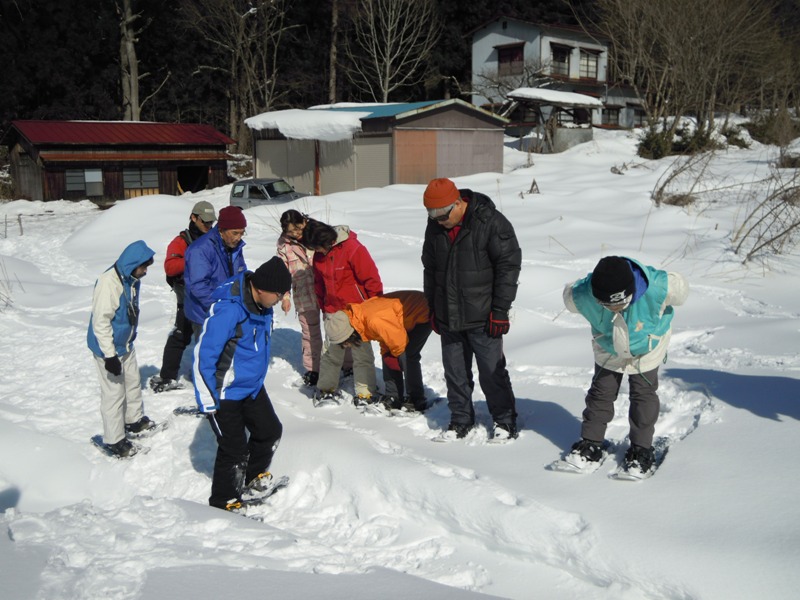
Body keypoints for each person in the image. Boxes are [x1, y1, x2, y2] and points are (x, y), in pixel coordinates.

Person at [562, 255, 689, 474]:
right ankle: (591, 443)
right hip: (608, 346)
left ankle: (641, 449)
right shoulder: (582, 294)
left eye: (621, 303)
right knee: (600, 393)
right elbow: (568, 297)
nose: (615, 308)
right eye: (607, 304)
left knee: (643, 394)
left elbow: (681, 290)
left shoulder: (658, 286)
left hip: (647, 348)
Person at [421, 178, 522, 441]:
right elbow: (430, 270)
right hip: (448, 315)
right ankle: (461, 419)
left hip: (483, 316)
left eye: (442, 215)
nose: (438, 220)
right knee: (455, 373)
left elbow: (508, 267)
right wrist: (432, 308)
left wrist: (500, 310)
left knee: (492, 372)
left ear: (457, 203)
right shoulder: (435, 227)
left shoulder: (491, 222)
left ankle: (504, 421)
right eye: (432, 215)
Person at [193, 256, 292, 511]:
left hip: (251, 387)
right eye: (279, 294)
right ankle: (223, 502)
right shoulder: (229, 309)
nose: (281, 299)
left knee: (270, 431)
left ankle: (250, 480)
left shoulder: (263, 304)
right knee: (234, 451)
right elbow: (204, 354)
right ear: (261, 288)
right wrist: (207, 400)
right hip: (224, 394)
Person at [87, 240, 157, 457]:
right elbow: (101, 323)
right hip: (108, 348)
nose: (145, 271)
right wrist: (110, 356)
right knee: (114, 394)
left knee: (133, 382)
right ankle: (113, 439)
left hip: (125, 343)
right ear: (132, 264)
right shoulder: (109, 283)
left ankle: (133, 420)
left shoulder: (131, 278)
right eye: (143, 267)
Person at [302, 219, 383, 405]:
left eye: (317, 247)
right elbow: (318, 283)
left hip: (358, 310)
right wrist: (324, 307)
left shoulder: (353, 248)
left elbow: (372, 279)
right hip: (334, 312)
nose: (317, 252)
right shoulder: (319, 256)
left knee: (362, 354)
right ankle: (325, 390)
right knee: (331, 353)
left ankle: (366, 392)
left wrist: (375, 307)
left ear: (327, 241)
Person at [324, 290, 432, 413]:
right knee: (388, 355)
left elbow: (399, 343)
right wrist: (388, 356)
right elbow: (385, 338)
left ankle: (416, 399)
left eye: (345, 342)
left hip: (422, 311)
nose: (347, 346)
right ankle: (393, 396)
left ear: (349, 335)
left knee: (407, 355)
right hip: (400, 322)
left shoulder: (373, 320)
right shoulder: (359, 319)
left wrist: (393, 357)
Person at [150, 201, 217, 393]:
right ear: (193, 218)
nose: (208, 226)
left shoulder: (213, 239)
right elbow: (170, 267)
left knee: (207, 337)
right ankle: (167, 376)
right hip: (187, 298)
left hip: (207, 297)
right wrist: (193, 259)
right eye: (205, 221)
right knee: (181, 335)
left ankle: (204, 373)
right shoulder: (181, 242)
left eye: (211, 222)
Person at [276, 210, 322, 388]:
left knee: (336, 328)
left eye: (298, 228)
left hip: (324, 288)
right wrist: (285, 296)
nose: (296, 234)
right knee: (310, 333)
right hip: (303, 292)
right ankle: (313, 369)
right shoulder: (283, 246)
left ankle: (346, 366)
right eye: (291, 232)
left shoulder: (316, 233)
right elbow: (283, 272)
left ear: (304, 221)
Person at [184, 205, 247, 332]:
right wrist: (221, 306)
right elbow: (198, 286)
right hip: (206, 313)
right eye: (235, 233)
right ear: (222, 230)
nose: (238, 237)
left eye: (242, 233)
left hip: (229, 310)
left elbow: (241, 274)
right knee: (210, 351)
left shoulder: (234, 246)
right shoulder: (201, 249)